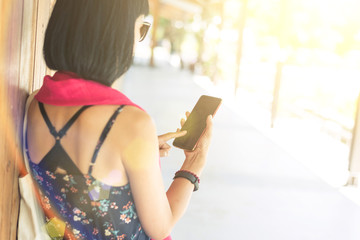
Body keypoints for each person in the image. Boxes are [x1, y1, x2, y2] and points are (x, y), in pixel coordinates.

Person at [24, 0, 213, 239]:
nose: (138, 40)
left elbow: (84, 191)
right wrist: (194, 165)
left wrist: (132, 151)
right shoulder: (132, 123)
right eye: (140, 28)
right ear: (115, 32)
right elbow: (161, 226)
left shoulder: (37, 104)